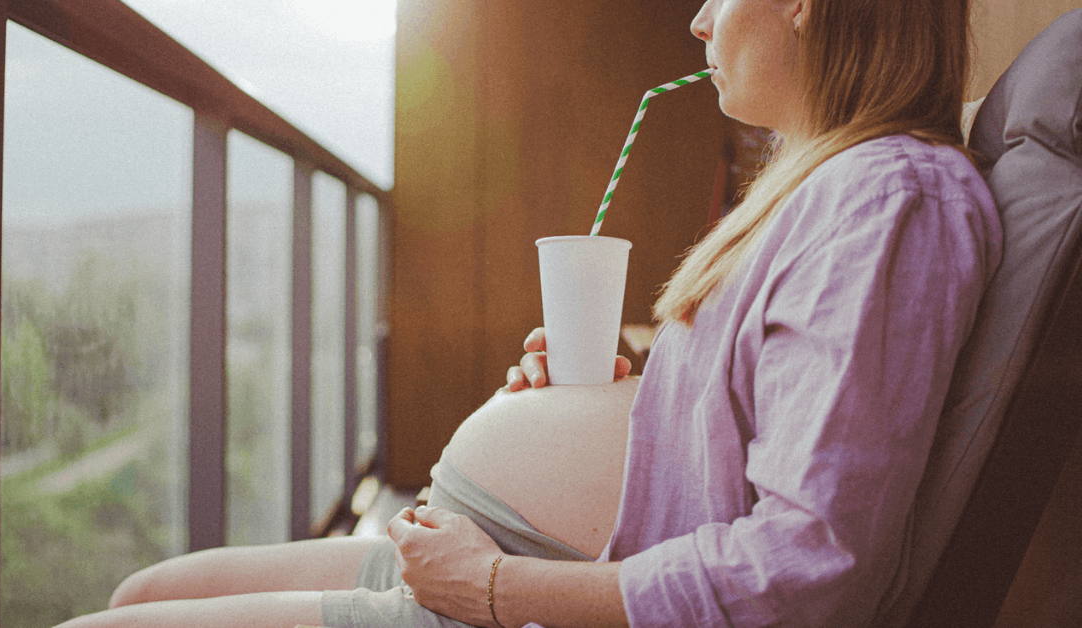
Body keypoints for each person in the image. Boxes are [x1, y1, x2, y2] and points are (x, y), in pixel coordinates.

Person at [56, 0, 1001, 625]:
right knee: (143, 588)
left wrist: (499, 586)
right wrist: (630, 407)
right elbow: (758, 438)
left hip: (503, 593)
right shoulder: (834, 188)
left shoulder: (888, 200)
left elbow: (811, 566)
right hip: (465, 555)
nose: (700, 20)